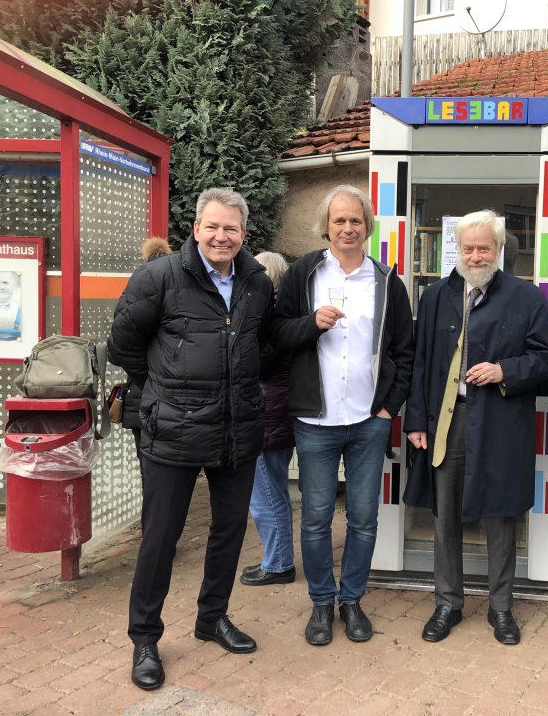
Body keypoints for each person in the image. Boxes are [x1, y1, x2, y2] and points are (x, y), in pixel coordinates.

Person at [108, 188, 273, 691]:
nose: (222, 236)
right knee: (161, 537)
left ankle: (212, 617)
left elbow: (263, 342)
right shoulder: (159, 277)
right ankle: (144, 638)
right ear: (197, 229)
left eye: (231, 229)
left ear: (244, 234)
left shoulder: (256, 282)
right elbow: (123, 344)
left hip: (235, 428)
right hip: (173, 430)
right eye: (213, 227)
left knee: (229, 531)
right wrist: (162, 387)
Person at [404, 210, 548, 645]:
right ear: (458, 248)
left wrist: (503, 370)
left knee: (500, 514)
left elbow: (545, 359)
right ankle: (447, 603)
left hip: (501, 420)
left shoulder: (526, 297)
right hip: (446, 420)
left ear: (499, 249)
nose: (475, 256)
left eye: (483, 248)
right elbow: (420, 362)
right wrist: (416, 420)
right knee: (444, 513)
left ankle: (501, 607)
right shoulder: (435, 295)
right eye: (468, 248)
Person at [271, 185, 414, 646]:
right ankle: (321, 602)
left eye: (356, 220)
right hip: (316, 421)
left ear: (367, 226)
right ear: (326, 226)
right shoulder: (303, 274)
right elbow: (276, 334)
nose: (348, 228)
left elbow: (404, 351)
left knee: (364, 517)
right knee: (315, 518)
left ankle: (351, 600)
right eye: (340, 220)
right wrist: (310, 324)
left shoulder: (386, 281)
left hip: (369, 420)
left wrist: (389, 408)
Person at [240, 252, 296, 586]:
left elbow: (253, 361)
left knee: (265, 496)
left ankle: (278, 564)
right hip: (277, 411)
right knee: (273, 491)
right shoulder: (284, 310)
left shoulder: (268, 313)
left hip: (265, 413)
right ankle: (277, 559)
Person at [121, 237, 172, 456]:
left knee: (145, 459)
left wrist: (145, 378)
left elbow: (122, 344)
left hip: (139, 390)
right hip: (165, 392)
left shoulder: (137, 283)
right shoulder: (173, 286)